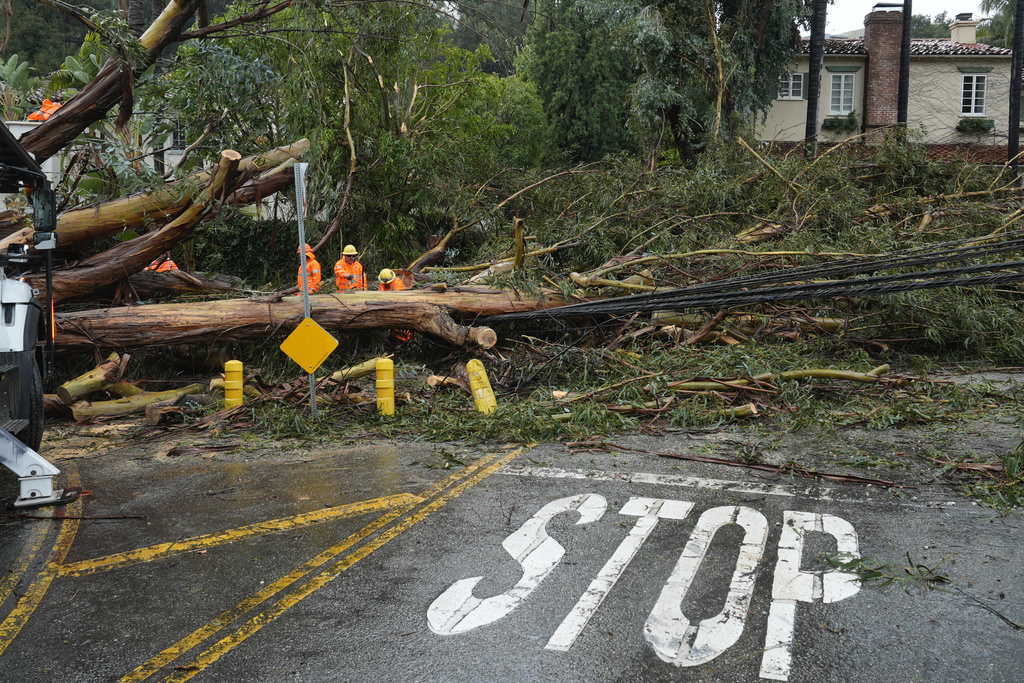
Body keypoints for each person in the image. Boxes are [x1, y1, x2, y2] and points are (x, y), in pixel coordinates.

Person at [378, 269, 412, 342]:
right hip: (387, 308)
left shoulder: (397, 283)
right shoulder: (383, 282)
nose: (386, 284)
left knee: (401, 326)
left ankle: (408, 340)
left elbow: (397, 300)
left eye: (388, 282)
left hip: (398, 308)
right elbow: (379, 296)